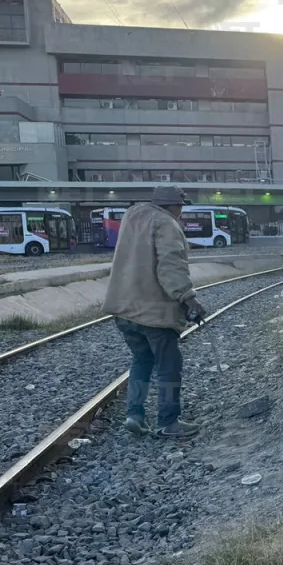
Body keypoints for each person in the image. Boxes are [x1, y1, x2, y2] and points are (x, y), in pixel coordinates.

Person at [102, 186, 207, 439]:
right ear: (173, 205)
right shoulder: (166, 224)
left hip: (124, 309)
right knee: (169, 366)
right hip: (154, 312)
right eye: (181, 206)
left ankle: (134, 415)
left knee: (142, 360)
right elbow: (171, 265)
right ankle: (168, 421)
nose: (181, 211)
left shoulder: (132, 218)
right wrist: (188, 298)